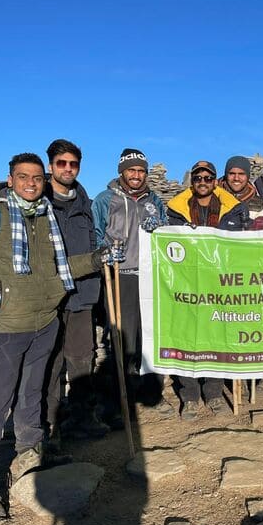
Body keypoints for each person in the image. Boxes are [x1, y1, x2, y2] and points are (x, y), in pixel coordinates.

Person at [0, 153, 111, 524]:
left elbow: (60, 268)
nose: (30, 183)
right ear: (10, 179)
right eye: (23, 177)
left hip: (44, 323)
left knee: (31, 396)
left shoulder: (45, 216)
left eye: (37, 178)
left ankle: (29, 455)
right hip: (4, 327)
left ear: (43, 181)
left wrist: (96, 258)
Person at [92, 148, 172, 422]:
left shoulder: (154, 200)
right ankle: (117, 400)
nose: (136, 175)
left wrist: (159, 228)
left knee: (150, 337)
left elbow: (166, 232)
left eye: (141, 170)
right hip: (120, 275)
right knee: (123, 339)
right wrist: (105, 251)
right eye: (131, 170)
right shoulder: (106, 200)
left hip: (150, 276)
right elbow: (95, 234)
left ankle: (151, 393)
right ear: (122, 172)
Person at [167, 160, 250, 418]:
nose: (202, 182)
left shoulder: (234, 210)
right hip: (187, 283)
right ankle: (190, 395)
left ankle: (213, 392)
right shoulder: (176, 210)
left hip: (219, 283)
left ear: (215, 181)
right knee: (185, 335)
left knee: (216, 335)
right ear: (192, 181)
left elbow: (244, 246)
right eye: (198, 178)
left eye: (207, 178)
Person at [41, 139, 109, 441]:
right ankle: (49, 427)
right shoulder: (38, 203)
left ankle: (83, 418)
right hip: (49, 298)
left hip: (82, 295)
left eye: (73, 164)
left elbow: (95, 244)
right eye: (61, 163)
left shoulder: (86, 205)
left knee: (82, 359)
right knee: (51, 362)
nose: (68, 169)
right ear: (50, 166)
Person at [219, 155, 263, 229]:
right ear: (226, 175)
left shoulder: (260, 205)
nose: (236, 178)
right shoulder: (213, 198)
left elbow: (262, 233)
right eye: (232, 173)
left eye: (241, 174)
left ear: (248, 176)